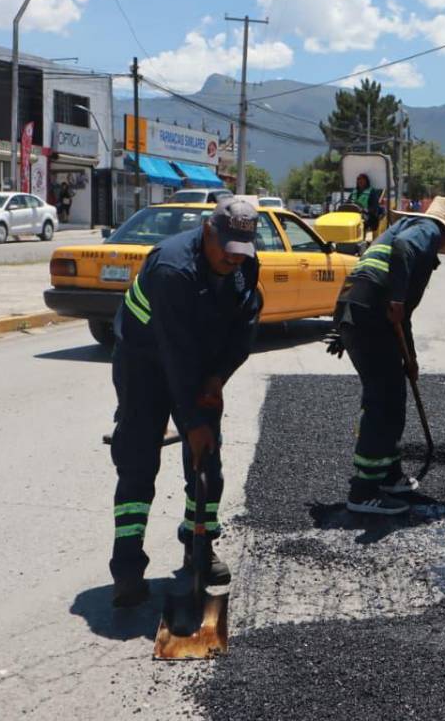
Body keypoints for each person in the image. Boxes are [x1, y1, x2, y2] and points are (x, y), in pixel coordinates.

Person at [106, 196, 261, 607]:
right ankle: (127, 567)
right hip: (144, 360)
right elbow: (173, 352)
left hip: (199, 360)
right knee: (138, 458)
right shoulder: (172, 268)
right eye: (227, 250)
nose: (234, 259)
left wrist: (217, 377)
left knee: (207, 460)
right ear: (208, 232)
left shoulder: (245, 262)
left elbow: (245, 325)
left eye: (242, 251)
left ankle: (199, 548)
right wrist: (191, 421)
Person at [328, 196, 445, 515]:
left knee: (393, 394)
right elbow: (401, 254)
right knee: (382, 398)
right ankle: (364, 489)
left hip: (358, 309)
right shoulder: (426, 229)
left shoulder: (406, 230)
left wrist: (410, 359)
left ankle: (387, 474)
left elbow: (402, 317)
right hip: (369, 313)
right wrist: (397, 298)